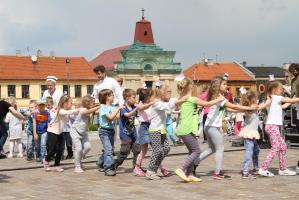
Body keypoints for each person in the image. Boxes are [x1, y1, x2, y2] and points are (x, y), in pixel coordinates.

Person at [197, 75, 257, 180]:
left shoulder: (216, 96)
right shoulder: (219, 97)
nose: (226, 86)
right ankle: (217, 173)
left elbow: (230, 109)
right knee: (220, 148)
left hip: (208, 126)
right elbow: (233, 106)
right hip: (212, 127)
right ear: (217, 86)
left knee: (212, 149)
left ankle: (192, 163)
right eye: (224, 84)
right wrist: (248, 107)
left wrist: (242, 110)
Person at [174, 78, 224, 182]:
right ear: (190, 87)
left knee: (192, 151)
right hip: (186, 129)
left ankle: (190, 174)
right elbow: (207, 104)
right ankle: (181, 169)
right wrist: (219, 99)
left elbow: (203, 102)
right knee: (196, 151)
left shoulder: (184, 98)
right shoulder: (191, 99)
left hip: (185, 129)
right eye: (193, 86)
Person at [258, 81, 299, 177]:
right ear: (275, 90)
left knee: (283, 146)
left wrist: (293, 99)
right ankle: (263, 168)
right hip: (272, 126)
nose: (283, 90)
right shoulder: (276, 97)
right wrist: (294, 99)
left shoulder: (272, 99)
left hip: (273, 126)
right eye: (281, 89)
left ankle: (283, 168)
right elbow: (290, 101)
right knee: (276, 147)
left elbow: (284, 106)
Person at [145, 84, 185, 180]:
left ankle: (155, 167)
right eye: (169, 92)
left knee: (166, 148)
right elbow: (167, 106)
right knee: (157, 150)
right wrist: (180, 100)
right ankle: (150, 171)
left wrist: (182, 95)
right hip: (154, 130)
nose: (170, 94)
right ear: (163, 93)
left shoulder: (164, 101)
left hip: (161, 130)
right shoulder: (156, 103)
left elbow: (173, 101)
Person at [43, 96, 79, 172]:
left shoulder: (67, 110)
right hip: (52, 131)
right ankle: (46, 160)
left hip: (60, 132)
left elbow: (72, 115)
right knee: (52, 149)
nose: (72, 104)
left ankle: (57, 165)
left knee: (60, 149)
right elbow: (67, 112)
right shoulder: (60, 110)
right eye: (70, 102)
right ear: (65, 103)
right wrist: (77, 110)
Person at [238, 91, 266, 178]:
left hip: (252, 134)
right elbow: (259, 106)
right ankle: (245, 171)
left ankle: (255, 167)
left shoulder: (251, 108)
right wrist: (268, 101)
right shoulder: (251, 107)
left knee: (256, 150)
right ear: (252, 100)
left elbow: (260, 106)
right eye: (255, 99)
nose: (257, 100)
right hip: (248, 134)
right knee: (249, 152)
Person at [70, 95, 99, 173]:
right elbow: (85, 112)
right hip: (75, 131)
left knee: (87, 147)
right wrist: (98, 107)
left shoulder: (90, 110)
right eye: (93, 103)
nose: (94, 104)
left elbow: (97, 112)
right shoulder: (82, 109)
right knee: (78, 149)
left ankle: (77, 159)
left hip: (83, 132)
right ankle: (77, 166)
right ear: (87, 103)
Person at [96, 89, 121, 176]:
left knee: (108, 149)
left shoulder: (113, 107)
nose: (113, 96)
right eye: (111, 95)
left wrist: (118, 109)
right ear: (107, 97)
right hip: (104, 131)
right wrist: (117, 109)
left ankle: (100, 162)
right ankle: (108, 168)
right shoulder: (103, 108)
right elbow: (110, 118)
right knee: (109, 149)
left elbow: (117, 117)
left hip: (111, 131)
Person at [114, 89, 140, 173]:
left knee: (137, 150)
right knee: (125, 151)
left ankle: (136, 167)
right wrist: (136, 109)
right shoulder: (123, 108)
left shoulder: (133, 107)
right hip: (125, 134)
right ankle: (114, 164)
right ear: (127, 98)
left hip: (133, 133)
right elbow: (128, 115)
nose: (135, 99)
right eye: (133, 97)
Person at [134, 88, 154, 177]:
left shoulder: (151, 104)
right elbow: (142, 108)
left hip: (152, 127)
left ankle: (159, 167)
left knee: (157, 149)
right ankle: (137, 168)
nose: (152, 98)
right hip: (144, 127)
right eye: (151, 96)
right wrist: (151, 103)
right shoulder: (139, 104)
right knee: (144, 150)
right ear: (146, 97)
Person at [32, 98, 52, 162]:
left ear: (45, 105)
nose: (41, 107)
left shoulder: (47, 113)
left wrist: (49, 129)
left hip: (44, 131)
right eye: (40, 105)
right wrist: (35, 133)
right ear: (37, 106)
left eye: (43, 105)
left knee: (43, 144)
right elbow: (34, 124)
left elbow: (48, 122)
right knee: (37, 146)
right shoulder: (35, 113)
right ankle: (38, 155)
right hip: (37, 132)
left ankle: (42, 157)